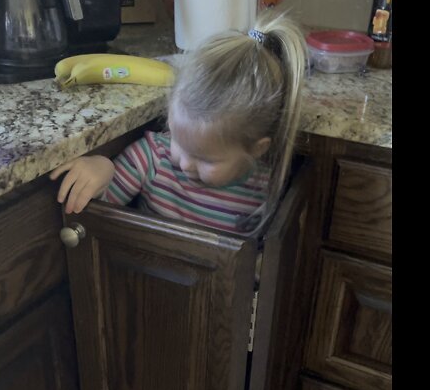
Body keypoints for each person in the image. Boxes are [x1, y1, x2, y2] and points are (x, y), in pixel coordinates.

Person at [51, 12, 306, 234]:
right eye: (176, 140)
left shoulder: (265, 187)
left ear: (257, 148)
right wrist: (102, 171)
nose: (184, 163)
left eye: (206, 160)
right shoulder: (152, 158)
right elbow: (99, 217)